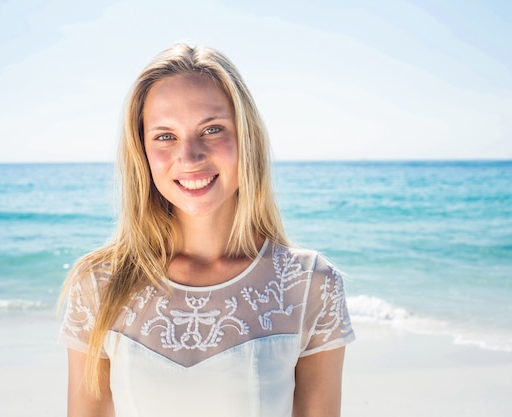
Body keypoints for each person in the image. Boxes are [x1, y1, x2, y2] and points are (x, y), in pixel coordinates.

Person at [58, 43, 355, 417]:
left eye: (212, 129)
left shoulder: (309, 284)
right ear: (142, 151)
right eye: (165, 136)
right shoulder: (99, 285)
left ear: (247, 138)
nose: (190, 157)